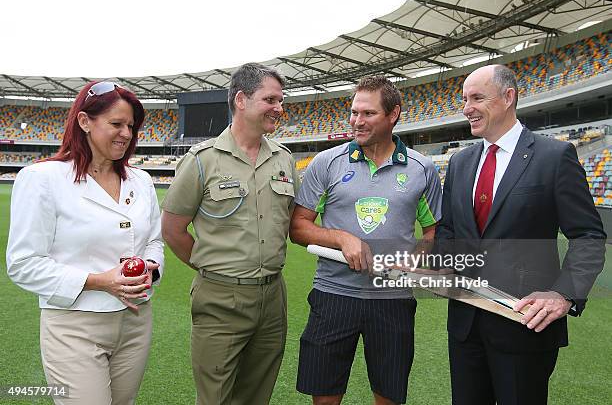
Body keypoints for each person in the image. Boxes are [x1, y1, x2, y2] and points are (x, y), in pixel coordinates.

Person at [435, 64, 606, 405]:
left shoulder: (554, 157)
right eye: (464, 99)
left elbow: (588, 236)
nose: (466, 107)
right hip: (466, 325)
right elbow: (450, 228)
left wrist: (563, 294)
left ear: (508, 97)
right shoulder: (460, 162)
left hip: (525, 326)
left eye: (477, 97)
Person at [6, 81, 164, 405]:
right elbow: (22, 264)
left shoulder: (142, 181)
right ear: (84, 122)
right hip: (74, 325)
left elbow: (154, 242)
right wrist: (97, 281)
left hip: (135, 321)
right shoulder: (43, 179)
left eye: (131, 126)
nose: (126, 134)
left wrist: (152, 269)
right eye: (116, 124)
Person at [290, 75, 442, 405]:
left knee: (388, 394)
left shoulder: (422, 169)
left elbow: (433, 232)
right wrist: (341, 238)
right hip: (333, 295)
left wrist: (416, 257)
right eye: (354, 112)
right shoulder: (326, 163)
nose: (357, 121)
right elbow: (298, 227)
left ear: (393, 114)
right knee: (325, 396)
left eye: (368, 114)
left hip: (393, 299)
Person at [161, 62, 299, 405]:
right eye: (270, 100)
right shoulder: (201, 160)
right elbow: (173, 229)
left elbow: (291, 221)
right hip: (219, 299)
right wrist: (216, 269)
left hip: (272, 299)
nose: (279, 108)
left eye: (280, 100)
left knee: (256, 396)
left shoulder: (284, 159)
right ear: (241, 99)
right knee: (215, 399)